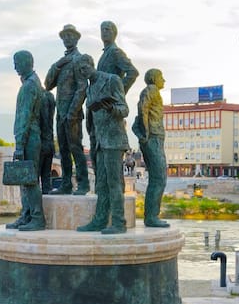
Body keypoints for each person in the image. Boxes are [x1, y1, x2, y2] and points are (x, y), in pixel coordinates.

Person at [76, 59, 129, 234]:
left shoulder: (112, 79)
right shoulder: (90, 88)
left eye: (84, 68)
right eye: (80, 71)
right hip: (99, 141)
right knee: (101, 184)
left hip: (114, 140)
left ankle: (119, 222)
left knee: (114, 183)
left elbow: (124, 109)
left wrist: (111, 108)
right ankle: (100, 220)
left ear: (92, 65)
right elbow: (91, 118)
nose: (83, 72)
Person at [45, 24, 94, 195]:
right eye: (64, 36)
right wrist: (57, 65)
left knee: (75, 148)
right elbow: (48, 84)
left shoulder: (80, 59)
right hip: (61, 114)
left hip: (72, 115)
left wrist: (72, 112)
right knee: (63, 150)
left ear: (76, 38)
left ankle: (83, 184)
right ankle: (66, 183)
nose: (67, 39)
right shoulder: (62, 62)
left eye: (70, 36)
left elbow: (82, 88)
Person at [89, 21, 139, 162]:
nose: (104, 32)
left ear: (114, 33)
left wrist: (118, 93)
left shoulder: (115, 52)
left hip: (110, 107)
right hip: (101, 112)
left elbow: (132, 72)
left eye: (108, 29)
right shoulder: (105, 54)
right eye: (102, 29)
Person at [7, 50, 46, 231]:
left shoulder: (29, 86)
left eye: (17, 63)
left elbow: (24, 116)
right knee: (27, 179)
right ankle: (26, 215)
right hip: (34, 136)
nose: (15, 67)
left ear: (26, 63)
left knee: (29, 179)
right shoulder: (35, 83)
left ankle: (37, 218)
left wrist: (19, 144)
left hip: (29, 137)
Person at [133, 68, 169, 227]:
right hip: (153, 138)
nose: (164, 80)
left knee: (158, 177)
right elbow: (143, 108)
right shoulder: (151, 89)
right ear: (154, 78)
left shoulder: (154, 92)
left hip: (155, 138)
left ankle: (152, 216)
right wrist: (146, 133)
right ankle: (151, 217)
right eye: (161, 76)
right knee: (159, 177)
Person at [38, 86, 56, 194]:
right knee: (46, 176)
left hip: (40, 143)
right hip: (50, 143)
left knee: (34, 177)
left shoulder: (39, 98)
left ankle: (35, 208)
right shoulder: (50, 97)